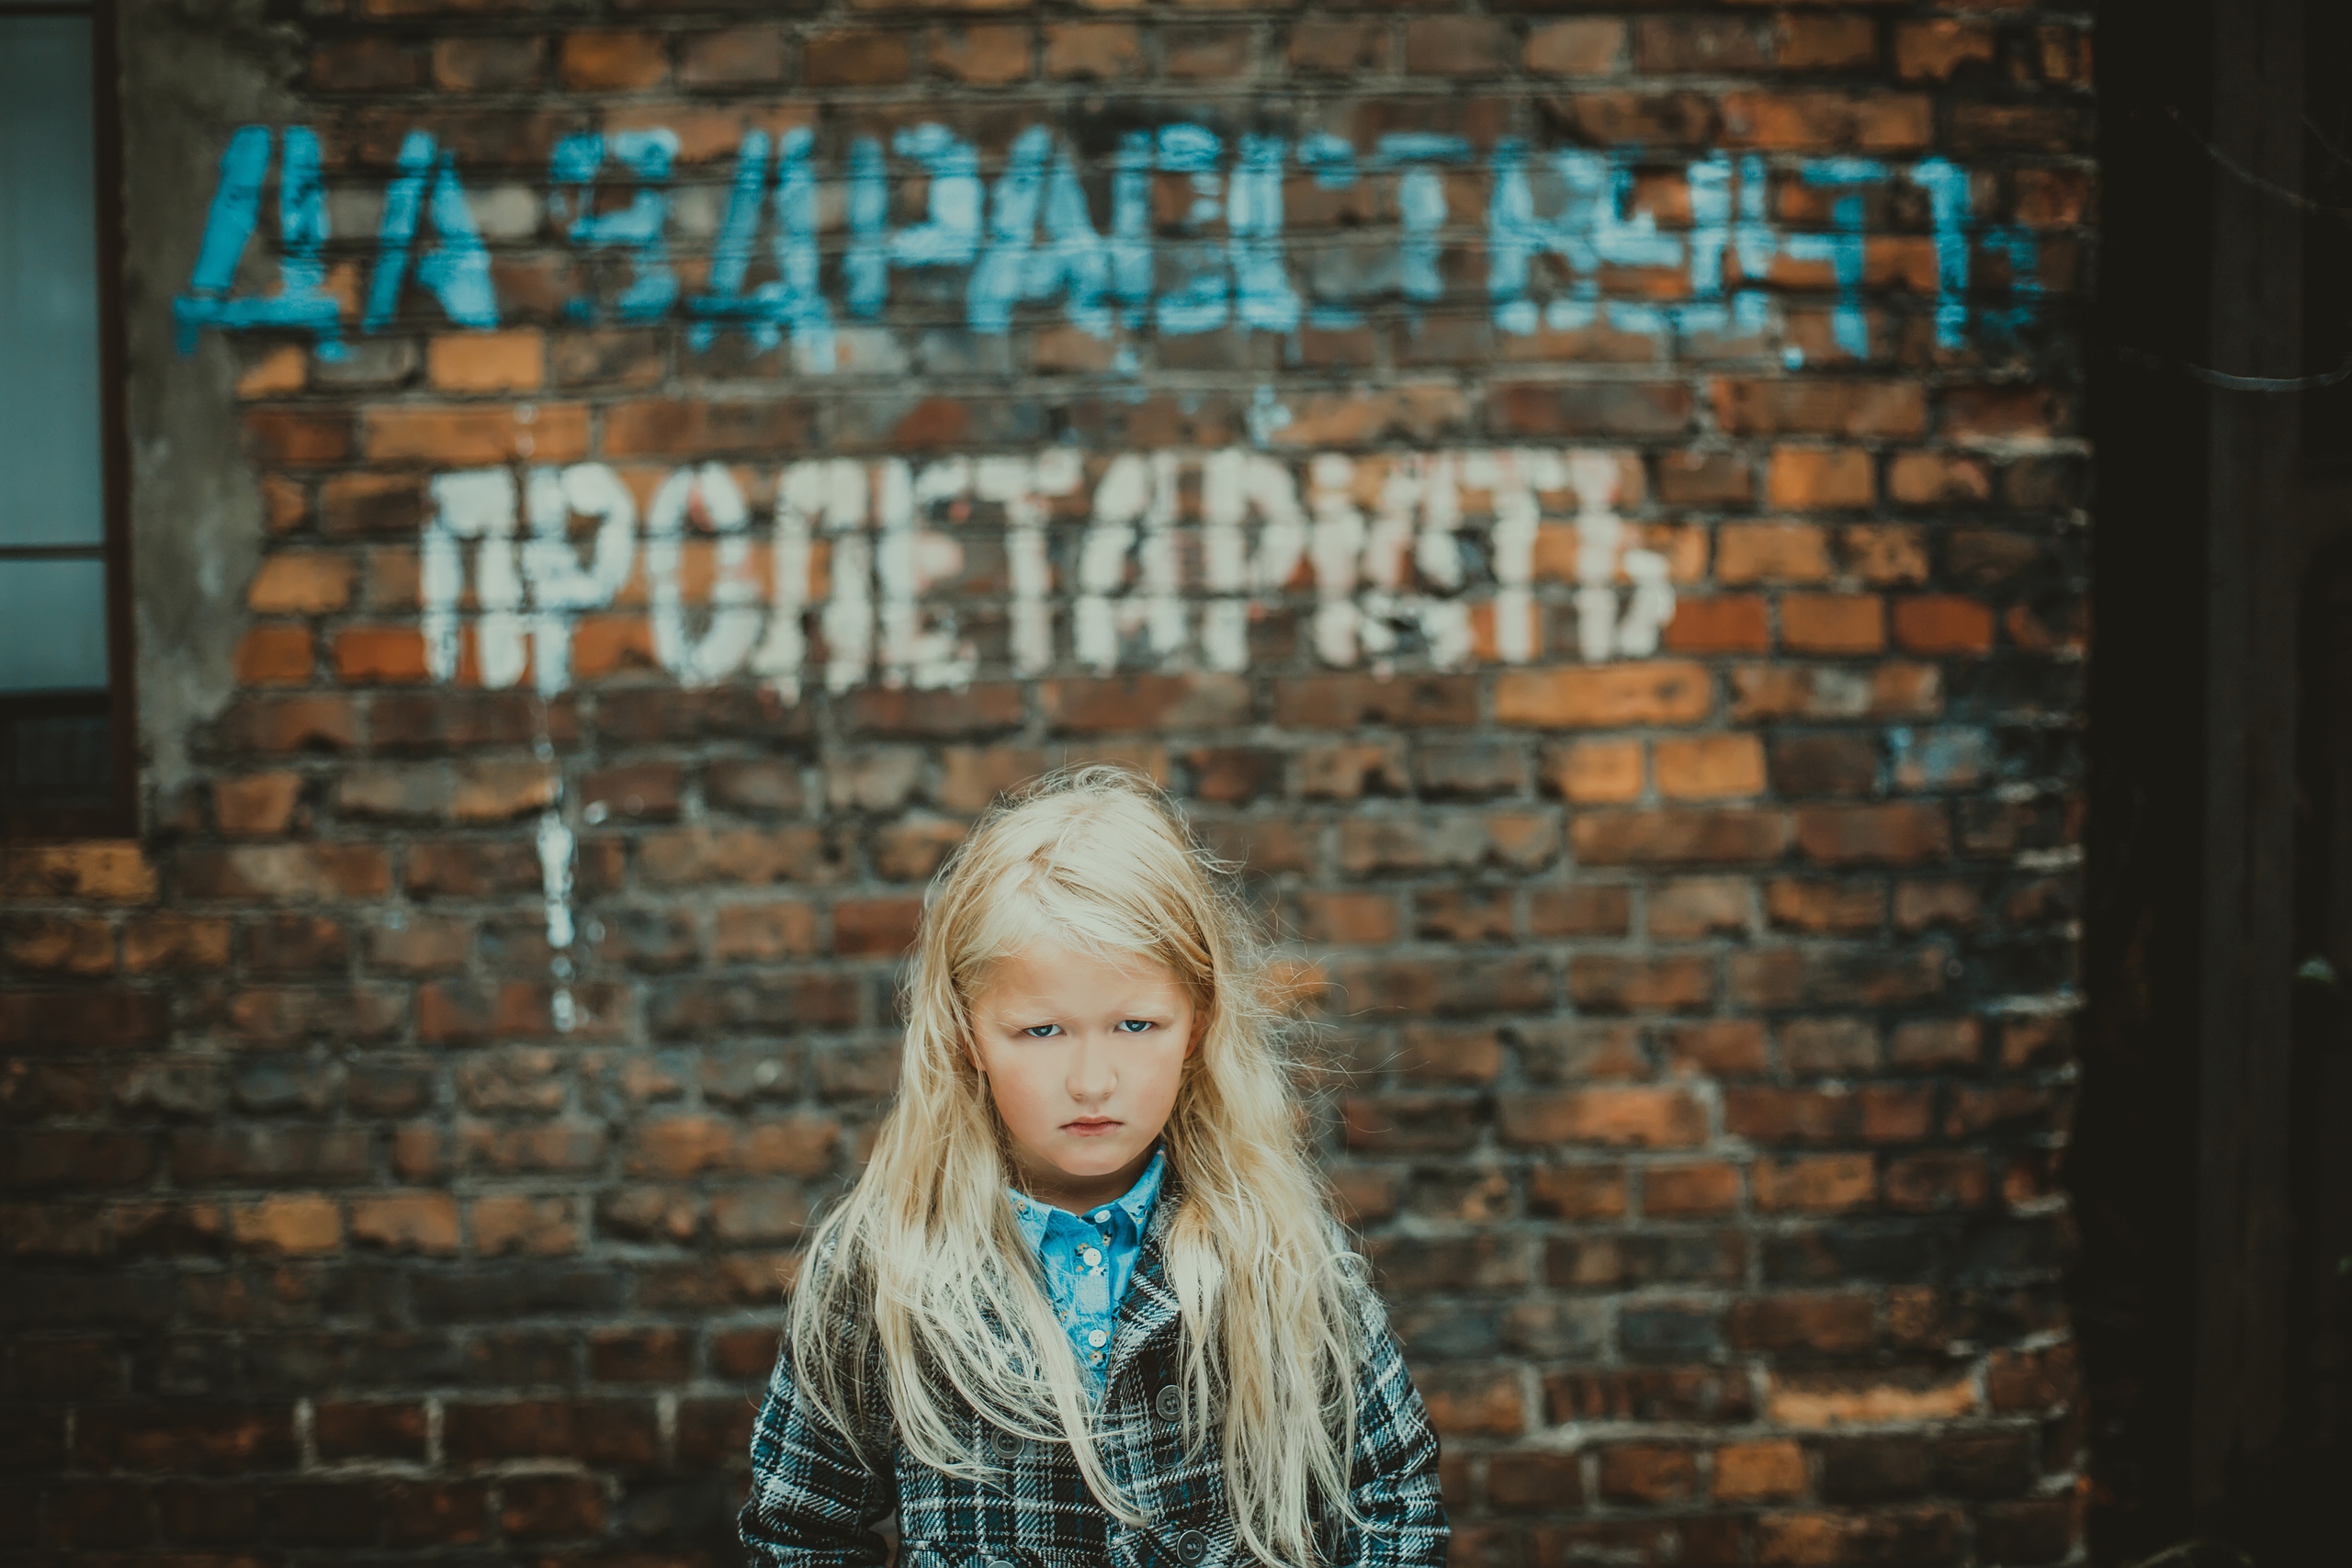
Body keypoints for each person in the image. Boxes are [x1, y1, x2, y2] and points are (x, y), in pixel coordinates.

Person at [741, 766, 1448, 1568]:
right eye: (1042, 1030)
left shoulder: (1277, 1245)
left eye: (1135, 1023)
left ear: (1198, 1023)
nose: (1091, 1080)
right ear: (967, 1033)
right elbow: (799, 1530)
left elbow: (1393, 1494)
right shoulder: (883, 1267)